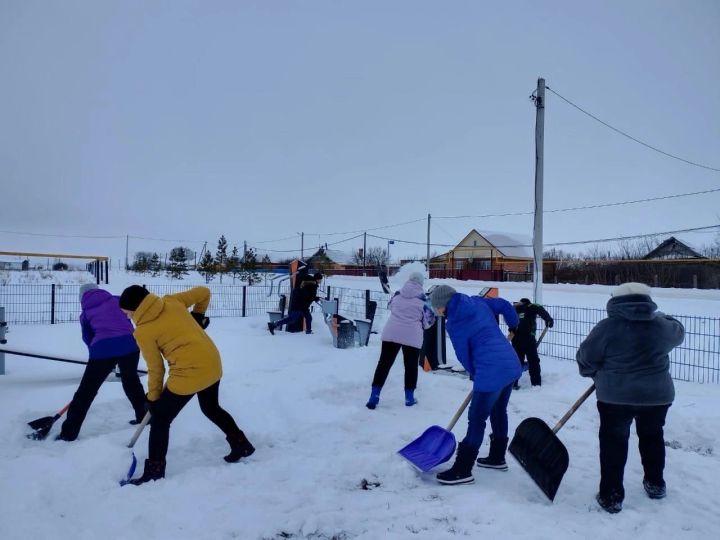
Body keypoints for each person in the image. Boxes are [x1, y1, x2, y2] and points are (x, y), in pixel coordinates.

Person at [118, 285, 254, 485]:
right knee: (211, 407)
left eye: (127, 313)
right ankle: (241, 444)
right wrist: (197, 317)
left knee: (160, 420)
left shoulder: (143, 331)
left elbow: (156, 369)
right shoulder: (172, 301)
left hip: (189, 373)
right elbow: (204, 292)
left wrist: (153, 398)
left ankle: (154, 472)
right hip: (212, 362)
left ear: (136, 308)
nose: (127, 317)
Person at [576, 282, 684, 514]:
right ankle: (655, 484)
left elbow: (586, 358)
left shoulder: (607, 327)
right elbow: (679, 331)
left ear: (615, 301)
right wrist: (661, 316)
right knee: (653, 436)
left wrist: (592, 372)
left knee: (614, 442)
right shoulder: (662, 326)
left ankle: (612, 496)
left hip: (616, 397)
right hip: (657, 396)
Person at [429, 285, 520, 485]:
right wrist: (514, 324)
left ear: (443, 306)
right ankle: (497, 458)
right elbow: (504, 305)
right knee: (498, 410)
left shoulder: (454, 323)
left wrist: (476, 375)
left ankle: (463, 469)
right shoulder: (477, 302)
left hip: (490, 370)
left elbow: (464, 355)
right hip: (510, 364)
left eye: (437, 307)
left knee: (476, 419)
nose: (436, 311)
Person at [55, 283, 146, 441]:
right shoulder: (118, 300)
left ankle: (68, 433)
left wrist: (98, 356)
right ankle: (144, 417)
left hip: (103, 351)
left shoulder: (86, 313)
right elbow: (133, 315)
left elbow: (88, 338)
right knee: (131, 380)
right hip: (131, 345)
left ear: (82, 298)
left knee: (86, 391)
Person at [365, 272, 435, 409]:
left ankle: (374, 395)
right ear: (421, 283)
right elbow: (429, 322)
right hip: (412, 336)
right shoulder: (424, 300)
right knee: (410, 366)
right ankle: (409, 398)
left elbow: (390, 307)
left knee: (384, 364)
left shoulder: (397, 295)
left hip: (392, 332)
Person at [512, 297, 554, 388]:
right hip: (528, 339)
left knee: (516, 362)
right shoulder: (531, 306)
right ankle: (536, 384)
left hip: (515, 338)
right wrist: (548, 319)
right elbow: (539, 308)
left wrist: (511, 332)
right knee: (533, 361)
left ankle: (513, 383)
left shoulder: (515, 308)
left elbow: (509, 321)